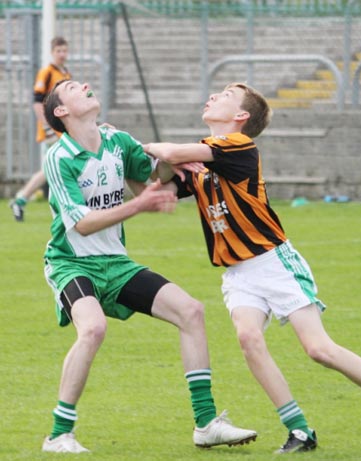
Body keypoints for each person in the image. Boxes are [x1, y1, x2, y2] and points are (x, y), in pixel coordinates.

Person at [145, 82, 361, 454]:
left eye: (224, 95)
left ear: (241, 116)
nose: (213, 95)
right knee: (248, 339)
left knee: (318, 349)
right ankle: (299, 430)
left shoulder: (238, 146)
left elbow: (168, 153)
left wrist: (143, 147)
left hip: (274, 263)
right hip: (238, 272)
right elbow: (160, 181)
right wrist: (163, 164)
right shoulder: (204, 162)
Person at [40, 79, 257, 453]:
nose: (87, 85)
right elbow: (83, 223)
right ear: (61, 111)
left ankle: (206, 424)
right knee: (92, 329)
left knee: (191, 311)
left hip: (115, 263)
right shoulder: (59, 158)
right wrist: (140, 205)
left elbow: (151, 181)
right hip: (71, 262)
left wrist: (173, 164)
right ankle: (59, 435)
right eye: (74, 87)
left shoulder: (117, 142)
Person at [10, 36, 71, 222]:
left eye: (64, 50)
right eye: (58, 51)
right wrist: (48, 126)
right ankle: (21, 199)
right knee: (55, 165)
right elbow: (37, 103)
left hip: (63, 127)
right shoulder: (46, 73)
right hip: (52, 128)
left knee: (52, 167)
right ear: (52, 52)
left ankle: (21, 199)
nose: (62, 54)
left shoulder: (66, 73)